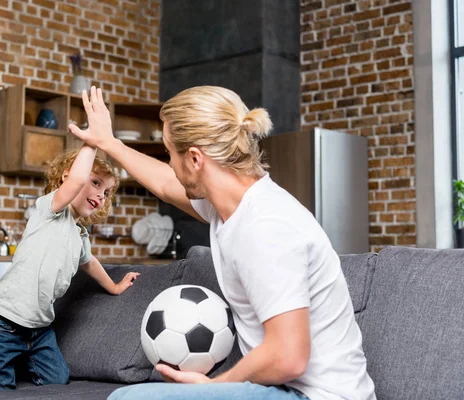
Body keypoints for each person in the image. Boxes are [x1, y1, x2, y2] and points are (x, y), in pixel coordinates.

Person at [69, 86, 376, 400]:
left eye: (170, 152)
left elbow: (288, 356)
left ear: (195, 159)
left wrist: (216, 387)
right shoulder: (228, 207)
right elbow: (163, 182)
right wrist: (108, 143)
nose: (170, 164)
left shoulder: (265, 227)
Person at [0, 88, 139, 390]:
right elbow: (78, 179)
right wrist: (92, 141)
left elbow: (89, 263)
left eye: (106, 192)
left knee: (57, 380)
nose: (100, 195)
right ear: (66, 177)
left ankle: (15, 361)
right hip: (3, 322)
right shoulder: (49, 209)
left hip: (38, 329)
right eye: (95, 183)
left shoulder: (79, 235)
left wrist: (115, 287)